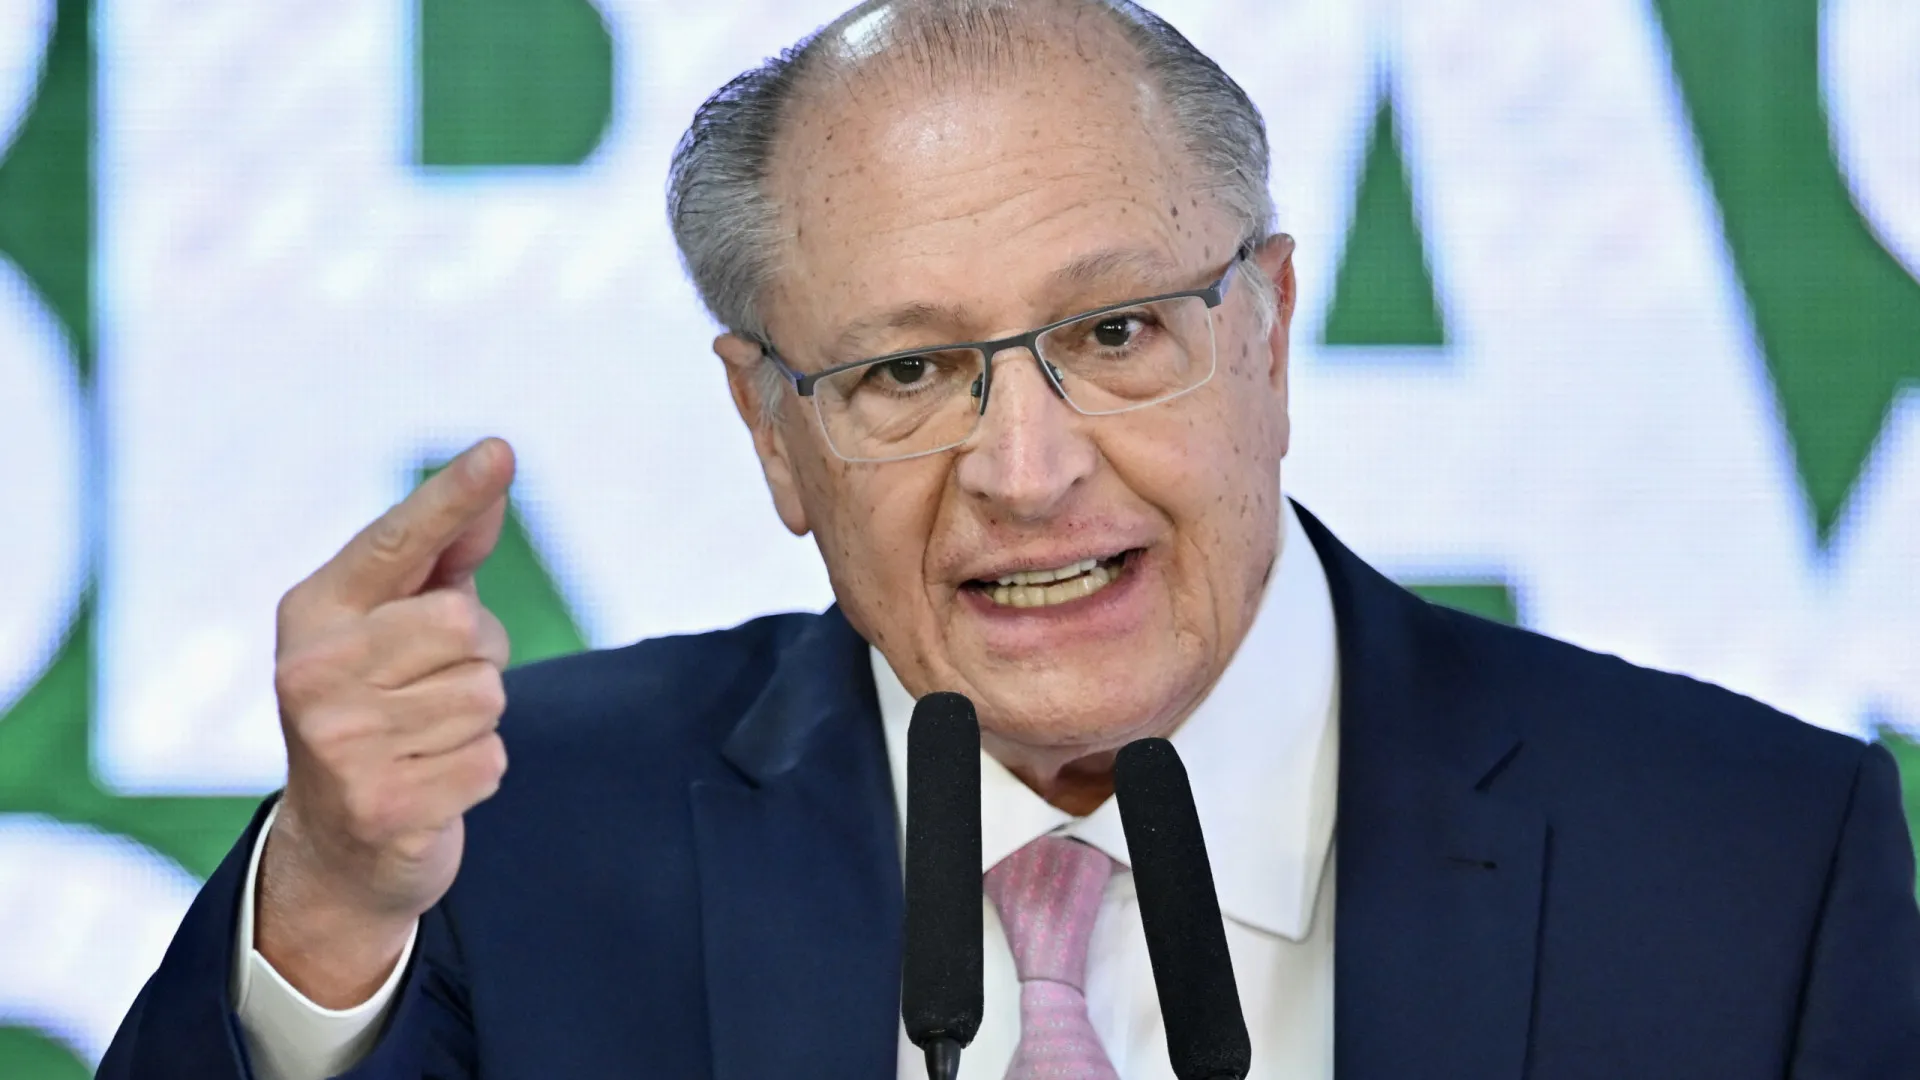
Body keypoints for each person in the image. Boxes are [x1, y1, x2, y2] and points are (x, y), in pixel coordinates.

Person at [100, 1, 1920, 1077]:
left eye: (1118, 332)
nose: (1028, 472)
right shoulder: (513, 843)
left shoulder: (1747, 862)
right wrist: (330, 903)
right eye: (906, 371)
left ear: (1271, 330)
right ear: (772, 432)